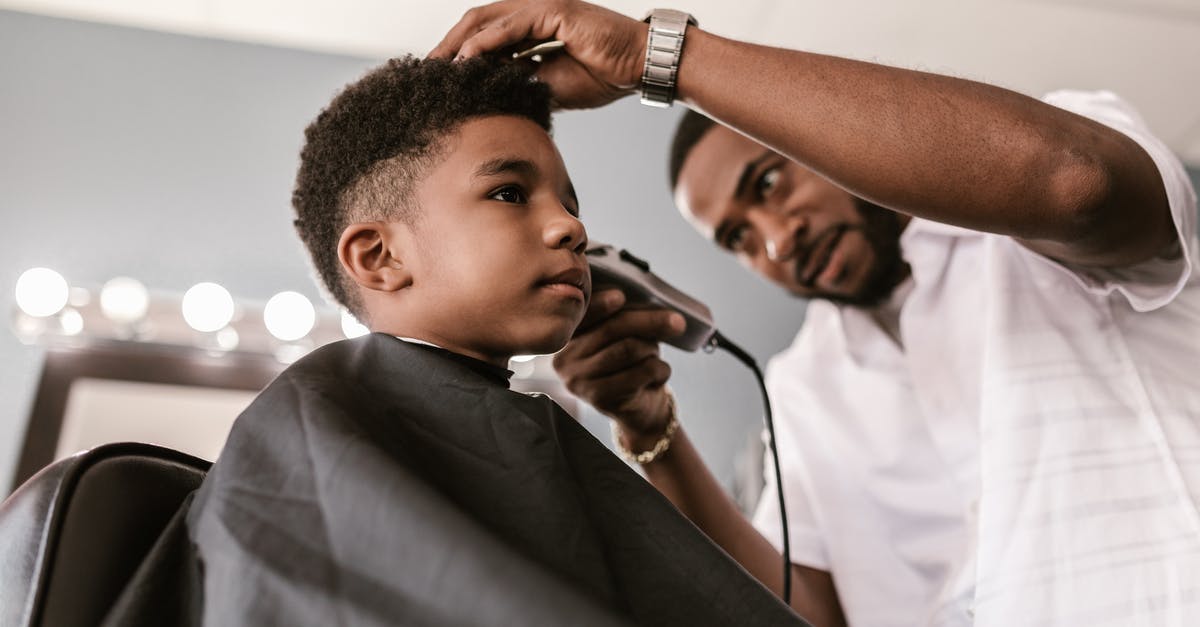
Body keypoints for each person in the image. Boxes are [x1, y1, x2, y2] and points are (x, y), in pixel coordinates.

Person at [431, 3, 1200, 627]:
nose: (775, 239)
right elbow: (799, 612)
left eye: (767, 185)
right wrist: (647, 425)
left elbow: (1077, 184)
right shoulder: (804, 387)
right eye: (738, 237)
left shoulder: (1033, 223)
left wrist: (657, 58)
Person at [101, 56, 805, 626]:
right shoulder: (322, 419)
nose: (572, 230)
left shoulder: (525, 429)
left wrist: (651, 426)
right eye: (509, 193)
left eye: (570, 204)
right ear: (378, 257)